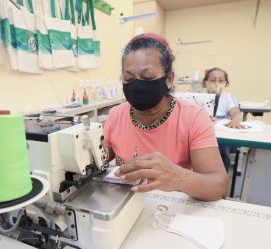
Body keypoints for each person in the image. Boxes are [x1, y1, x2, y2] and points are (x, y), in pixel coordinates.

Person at [104, 33, 228, 201]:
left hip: (173, 209)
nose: (137, 85)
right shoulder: (115, 115)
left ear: (169, 79)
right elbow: (99, 160)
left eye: (147, 77)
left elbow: (219, 186)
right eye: (129, 78)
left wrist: (179, 178)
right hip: (128, 203)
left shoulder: (194, 118)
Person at [202, 67, 243, 171]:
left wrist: (235, 120)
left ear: (226, 83)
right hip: (203, 129)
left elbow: (235, 112)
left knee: (220, 147)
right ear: (205, 82)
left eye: (221, 80)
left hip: (221, 133)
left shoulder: (228, 97)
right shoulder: (199, 97)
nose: (216, 83)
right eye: (212, 80)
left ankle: (221, 172)